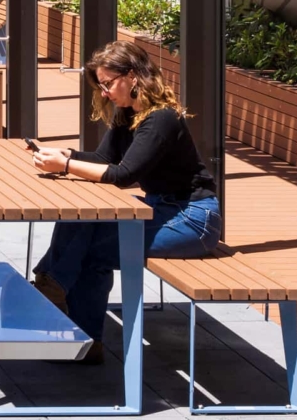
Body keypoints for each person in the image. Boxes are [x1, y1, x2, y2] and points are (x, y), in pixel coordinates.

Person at [29, 38, 222, 354]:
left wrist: (65, 165)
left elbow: (123, 176)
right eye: (101, 86)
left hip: (193, 218)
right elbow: (105, 160)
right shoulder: (128, 115)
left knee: (88, 244)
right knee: (83, 217)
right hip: (161, 208)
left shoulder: (161, 118)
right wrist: (68, 154)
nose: (104, 93)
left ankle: (55, 294)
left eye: (108, 83)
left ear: (133, 75)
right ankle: (61, 300)